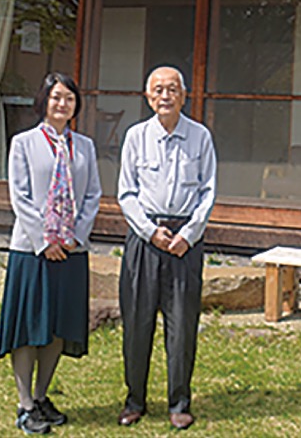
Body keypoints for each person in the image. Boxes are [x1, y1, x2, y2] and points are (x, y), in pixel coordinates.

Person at [0, 72, 102, 435]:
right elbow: (20, 197)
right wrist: (46, 241)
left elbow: (92, 196)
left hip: (72, 250)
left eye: (69, 99)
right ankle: (25, 403)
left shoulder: (84, 146)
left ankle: (42, 396)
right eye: (56, 97)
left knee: (57, 325)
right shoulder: (23, 143)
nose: (62, 104)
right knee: (28, 327)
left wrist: (75, 237)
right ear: (44, 101)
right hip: (32, 250)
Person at [116, 66, 217, 431]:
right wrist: (148, 231)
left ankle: (179, 402)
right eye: (158, 89)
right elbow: (126, 193)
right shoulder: (135, 136)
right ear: (147, 96)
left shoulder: (200, 137)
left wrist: (188, 234)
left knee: (182, 325)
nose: (165, 96)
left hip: (184, 242)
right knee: (137, 324)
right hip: (145, 238)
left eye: (172, 89)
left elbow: (207, 191)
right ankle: (134, 400)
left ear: (183, 95)